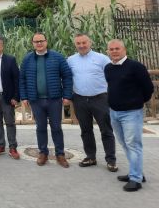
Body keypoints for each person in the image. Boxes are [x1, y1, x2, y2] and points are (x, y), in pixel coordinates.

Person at [105, 39, 154, 192]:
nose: (114, 51)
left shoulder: (136, 67)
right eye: (111, 49)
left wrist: (136, 102)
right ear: (108, 51)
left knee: (133, 145)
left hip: (132, 113)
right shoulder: (108, 68)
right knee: (126, 144)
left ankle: (136, 179)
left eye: (117, 48)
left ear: (124, 50)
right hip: (114, 112)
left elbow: (148, 89)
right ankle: (137, 172)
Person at [19, 32, 73, 168]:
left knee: (56, 127)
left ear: (46, 41)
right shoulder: (27, 59)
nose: (39, 43)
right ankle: (43, 153)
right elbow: (22, 79)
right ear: (33, 44)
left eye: (41, 41)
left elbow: (67, 76)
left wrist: (67, 95)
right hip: (36, 100)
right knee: (40, 127)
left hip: (54, 99)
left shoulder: (58, 57)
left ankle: (60, 154)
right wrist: (24, 97)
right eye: (36, 42)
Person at [67, 33, 117, 171]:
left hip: (100, 98)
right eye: (78, 43)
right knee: (85, 130)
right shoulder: (71, 60)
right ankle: (91, 157)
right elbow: (67, 79)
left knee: (106, 130)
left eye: (84, 42)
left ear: (90, 43)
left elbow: (112, 77)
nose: (82, 46)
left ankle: (111, 160)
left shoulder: (102, 59)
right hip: (80, 99)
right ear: (75, 45)